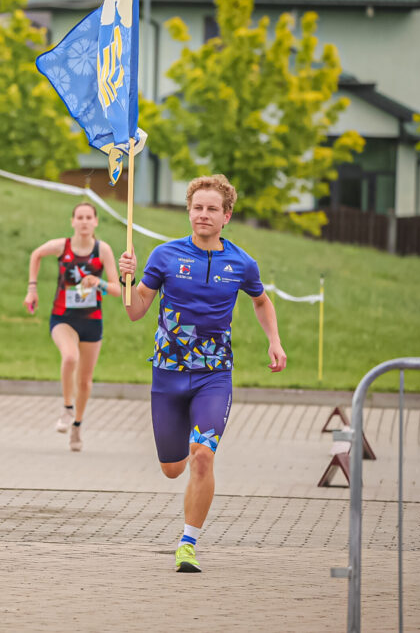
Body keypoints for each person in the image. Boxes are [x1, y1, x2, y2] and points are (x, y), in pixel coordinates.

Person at [117, 174, 286, 573]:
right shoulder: (165, 255)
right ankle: (180, 475)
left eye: (212, 209)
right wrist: (128, 278)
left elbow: (261, 301)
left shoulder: (242, 263)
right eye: (197, 208)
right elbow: (136, 311)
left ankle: (188, 544)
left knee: (203, 458)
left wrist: (274, 341)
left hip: (214, 375)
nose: (203, 215)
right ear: (188, 212)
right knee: (173, 468)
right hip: (168, 375)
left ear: (227, 216)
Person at [24, 203, 121, 452]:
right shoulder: (62, 246)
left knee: (85, 381)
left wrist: (97, 282)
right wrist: (32, 289)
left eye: (89, 217)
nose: (84, 221)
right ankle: (67, 408)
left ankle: (77, 425)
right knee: (70, 357)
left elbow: (117, 289)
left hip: (91, 321)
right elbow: (36, 254)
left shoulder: (102, 250)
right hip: (63, 318)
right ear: (73, 221)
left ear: (96, 222)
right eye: (80, 217)